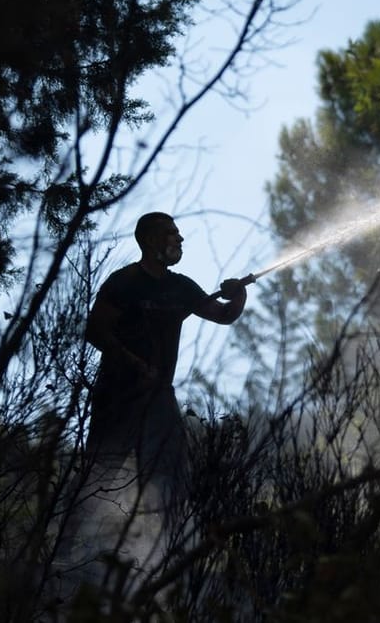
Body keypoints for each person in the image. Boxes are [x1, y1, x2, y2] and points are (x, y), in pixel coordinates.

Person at [69, 211, 246, 584]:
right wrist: (135, 364)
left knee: (171, 473)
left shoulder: (181, 288)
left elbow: (223, 314)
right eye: (172, 235)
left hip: (159, 398)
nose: (179, 241)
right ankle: (73, 555)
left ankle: (165, 555)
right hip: (118, 393)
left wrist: (239, 293)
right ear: (151, 241)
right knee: (100, 471)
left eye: (179, 236)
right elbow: (95, 330)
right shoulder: (125, 283)